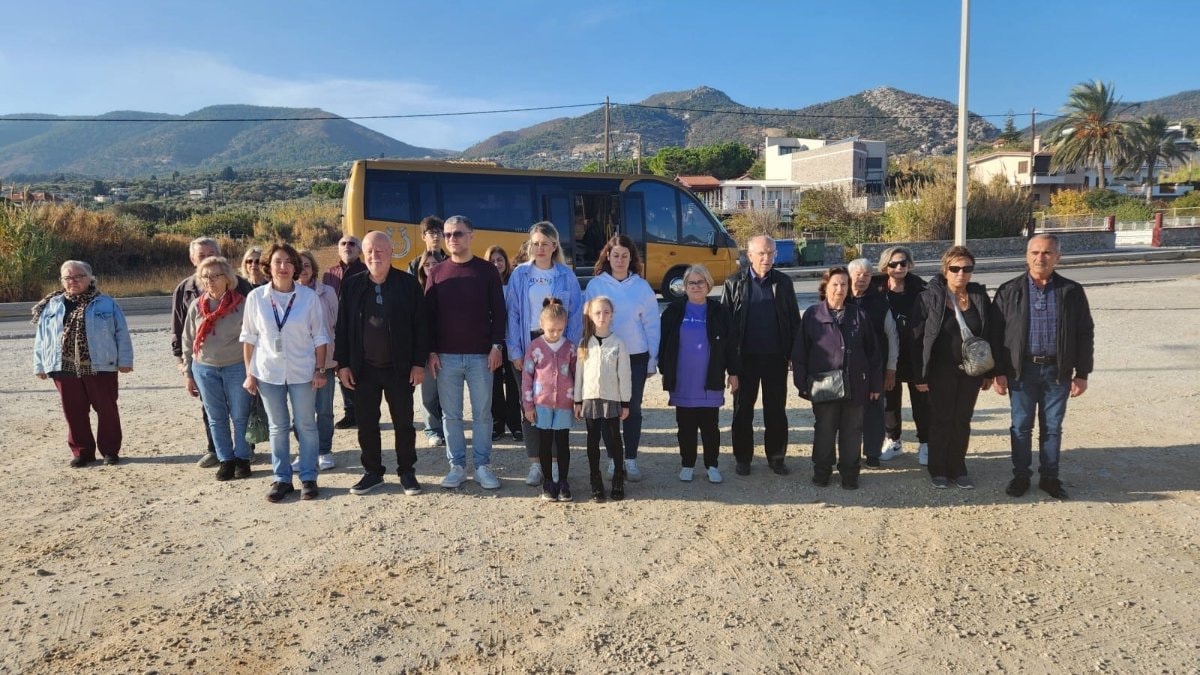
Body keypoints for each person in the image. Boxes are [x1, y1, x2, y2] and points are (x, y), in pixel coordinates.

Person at [990, 234, 1095, 499]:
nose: (1040, 258)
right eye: (1035, 252)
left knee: (1052, 427)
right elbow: (995, 334)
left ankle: (1050, 477)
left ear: (1057, 257)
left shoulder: (1071, 291)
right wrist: (998, 371)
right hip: (1020, 371)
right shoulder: (1009, 290)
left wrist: (1082, 373)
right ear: (1027, 256)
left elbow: (1085, 333)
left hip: (1057, 372)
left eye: (1047, 253)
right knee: (1021, 426)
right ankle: (1021, 476)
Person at [336, 231, 429, 496]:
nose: (374, 255)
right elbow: (342, 327)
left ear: (390, 252)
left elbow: (421, 326)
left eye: (380, 250)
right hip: (363, 369)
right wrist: (343, 364)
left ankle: (407, 471)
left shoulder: (408, 284)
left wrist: (418, 363)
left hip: (399, 368)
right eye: (369, 251)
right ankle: (373, 472)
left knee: (404, 423)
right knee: (366, 423)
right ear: (363, 254)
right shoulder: (352, 285)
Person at [241, 243, 329, 503]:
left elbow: (320, 336)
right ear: (268, 266)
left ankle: (309, 477)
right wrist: (249, 373)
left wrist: (320, 369)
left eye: (289, 262)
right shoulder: (256, 298)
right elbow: (249, 338)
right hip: (269, 373)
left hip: (303, 372)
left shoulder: (309, 298)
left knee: (306, 425)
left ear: (296, 267)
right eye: (278, 262)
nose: (283, 267)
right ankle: (282, 479)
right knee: (278, 427)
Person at [426, 215, 507, 490]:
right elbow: (429, 316)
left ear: (471, 235)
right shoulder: (436, 272)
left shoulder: (487, 271)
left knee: (483, 414)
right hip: (445, 358)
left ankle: (483, 466)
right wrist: (431, 351)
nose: (451, 239)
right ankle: (457, 467)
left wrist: (496, 347)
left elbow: (499, 312)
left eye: (458, 233)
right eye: (447, 234)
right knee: (451, 416)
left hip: (481, 357)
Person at [33, 261, 134, 467]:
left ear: (90, 278)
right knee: (74, 412)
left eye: (78, 276)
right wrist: (40, 365)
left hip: (101, 365)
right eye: (68, 278)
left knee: (106, 409)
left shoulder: (106, 303)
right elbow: (41, 337)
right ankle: (82, 452)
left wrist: (125, 361)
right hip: (63, 367)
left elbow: (121, 333)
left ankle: (110, 451)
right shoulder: (52, 305)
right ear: (62, 280)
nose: (73, 281)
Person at [505, 221, 583, 486]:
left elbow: (575, 314)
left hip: (559, 345)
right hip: (529, 343)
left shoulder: (565, 275)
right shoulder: (520, 275)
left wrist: (570, 347)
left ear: (554, 246)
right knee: (530, 403)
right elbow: (513, 314)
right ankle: (536, 463)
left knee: (556, 401)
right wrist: (515, 350)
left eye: (545, 244)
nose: (539, 248)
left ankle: (556, 463)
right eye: (535, 243)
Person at [910, 246, 993, 490]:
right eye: (955, 268)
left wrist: (989, 371)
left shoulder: (979, 297)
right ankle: (938, 468)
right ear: (945, 270)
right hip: (940, 371)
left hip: (971, 371)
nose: (961, 274)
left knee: (962, 419)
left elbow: (990, 334)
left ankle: (958, 467)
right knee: (941, 419)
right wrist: (920, 375)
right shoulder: (929, 298)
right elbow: (916, 339)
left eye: (967, 269)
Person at [792, 267, 882, 490]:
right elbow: (800, 352)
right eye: (835, 284)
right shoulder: (813, 315)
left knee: (852, 431)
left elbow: (873, 353)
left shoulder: (859, 315)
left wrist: (875, 385)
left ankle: (850, 473)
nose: (839, 289)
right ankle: (822, 470)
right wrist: (802, 383)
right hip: (824, 384)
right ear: (825, 287)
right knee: (825, 429)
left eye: (843, 284)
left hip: (856, 383)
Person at [721, 235, 800, 476]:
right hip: (744, 359)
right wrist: (730, 365)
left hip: (776, 358)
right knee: (743, 411)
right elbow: (726, 328)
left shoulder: (783, 283)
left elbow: (794, 320)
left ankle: (776, 457)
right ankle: (743, 458)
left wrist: (794, 354)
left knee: (775, 410)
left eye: (771, 253)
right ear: (750, 256)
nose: (767, 258)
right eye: (762, 253)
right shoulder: (734, 283)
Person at [172, 237, 254, 468]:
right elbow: (184, 336)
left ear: (227, 277)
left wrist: (253, 370)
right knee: (215, 416)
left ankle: (243, 457)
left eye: (216, 275)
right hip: (205, 368)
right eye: (206, 276)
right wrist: (186, 370)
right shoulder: (192, 299)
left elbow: (254, 338)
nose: (210, 281)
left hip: (237, 366)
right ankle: (223, 458)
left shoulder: (243, 300)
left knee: (240, 415)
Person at [584, 234, 660, 482]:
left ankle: (631, 459)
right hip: (604, 357)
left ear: (631, 258)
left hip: (636, 357)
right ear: (608, 256)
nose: (620, 260)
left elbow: (652, 325)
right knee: (609, 410)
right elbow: (586, 322)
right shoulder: (596, 285)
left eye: (624, 256)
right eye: (615, 255)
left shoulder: (641, 287)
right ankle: (612, 459)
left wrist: (652, 359)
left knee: (632, 409)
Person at [658, 264, 739, 484]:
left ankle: (712, 465)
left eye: (700, 282)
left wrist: (733, 372)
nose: (696, 286)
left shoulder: (719, 311)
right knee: (685, 426)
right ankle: (687, 464)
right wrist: (664, 370)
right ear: (684, 287)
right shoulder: (673, 312)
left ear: (708, 285)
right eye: (691, 283)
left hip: (709, 378)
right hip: (683, 380)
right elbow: (664, 344)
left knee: (710, 426)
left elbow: (730, 345)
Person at [874, 246, 930, 464]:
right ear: (885, 266)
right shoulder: (877, 289)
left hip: (916, 353)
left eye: (903, 263)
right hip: (889, 353)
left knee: (922, 401)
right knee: (890, 400)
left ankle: (925, 442)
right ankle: (893, 440)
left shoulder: (921, 288)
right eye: (894, 263)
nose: (899, 267)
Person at [575, 296, 632, 502]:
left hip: (611, 398)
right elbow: (579, 375)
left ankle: (618, 477)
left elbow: (624, 375)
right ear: (590, 315)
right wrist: (577, 400)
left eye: (606, 312)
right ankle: (595, 479)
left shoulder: (618, 343)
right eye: (597, 313)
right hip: (590, 397)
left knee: (614, 438)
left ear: (612, 315)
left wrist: (625, 402)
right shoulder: (584, 343)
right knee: (592, 439)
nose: (602, 316)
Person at [521, 299, 577, 502]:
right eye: (551, 330)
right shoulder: (535, 347)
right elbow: (527, 378)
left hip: (564, 404)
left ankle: (563, 482)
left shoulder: (570, 348)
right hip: (541, 403)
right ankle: (548, 482)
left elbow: (577, 375)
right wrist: (528, 405)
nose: (555, 334)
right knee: (544, 442)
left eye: (560, 330)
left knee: (562, 442)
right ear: (541, 324)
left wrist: (578, 401)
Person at [847, 258, 899, 468]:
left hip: (875, 367)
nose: (862, 279)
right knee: (848, 413)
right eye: (858, 274)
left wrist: (891, 368)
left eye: (867, 275)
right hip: (847, 367)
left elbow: (892, 335)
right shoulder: (840, 298)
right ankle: (849, 453)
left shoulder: (879, 302)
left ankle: (872, 453)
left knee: (875, 412)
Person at [295, 250, 338, 471]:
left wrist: (338, 358)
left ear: (313, 268)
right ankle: (304, 451)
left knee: (324, 410)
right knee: (300, 412)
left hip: (324, 361)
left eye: (307, 265)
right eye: (299, 265)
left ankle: (324, 450)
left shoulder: (327, 292)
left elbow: (337, 324)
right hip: (296, 363)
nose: (303, 269)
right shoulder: (285, 293)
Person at [323, 234, 367, 430]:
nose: (347, 246)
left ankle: (364, 411)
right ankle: (351, 413)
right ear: (338, 248)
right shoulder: (329, 274)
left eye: (352, 244)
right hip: (336, 329)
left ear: (359, 250)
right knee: (342, 368)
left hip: (359, 328)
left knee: (361, 371)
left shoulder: (366, 271)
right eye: (343, 243)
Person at [486, 245, 522, 443]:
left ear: (506, 262)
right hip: (492, 341)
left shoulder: (513, 282)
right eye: (492, 260)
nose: (496, 264)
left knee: (514, 384)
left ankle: (515, 425)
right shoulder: (484, 283)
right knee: (494, 384)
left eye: (499, 260)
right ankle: (497, 425)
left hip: (511, 339)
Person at [414, 250, 446, 448]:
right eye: (427, 265)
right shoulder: (415, 290)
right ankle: (432, 430)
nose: (431, 267)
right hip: (424, 348)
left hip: (446, 347)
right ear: (421, 269)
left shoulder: (449, 287)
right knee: (428, 393)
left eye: (435, 264)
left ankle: (447, 429)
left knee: (446, 393)